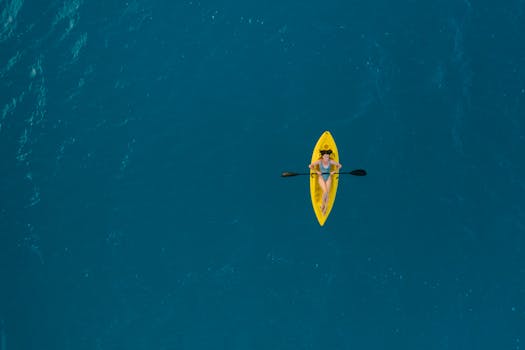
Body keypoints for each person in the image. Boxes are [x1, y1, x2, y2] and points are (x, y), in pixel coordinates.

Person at [308, 149, 342, 215]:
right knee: (325, 192)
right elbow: (310, 166)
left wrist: (334, 171)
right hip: (321, 178)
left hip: (328, 177)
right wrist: (317, 171)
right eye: (325, 156)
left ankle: (325, 208)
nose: (327, 158)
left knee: (327, 193)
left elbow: (340, 165)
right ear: (322, 156)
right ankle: (322, 204)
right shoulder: (320, 161)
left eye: (328, 156)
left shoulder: (330, 161)